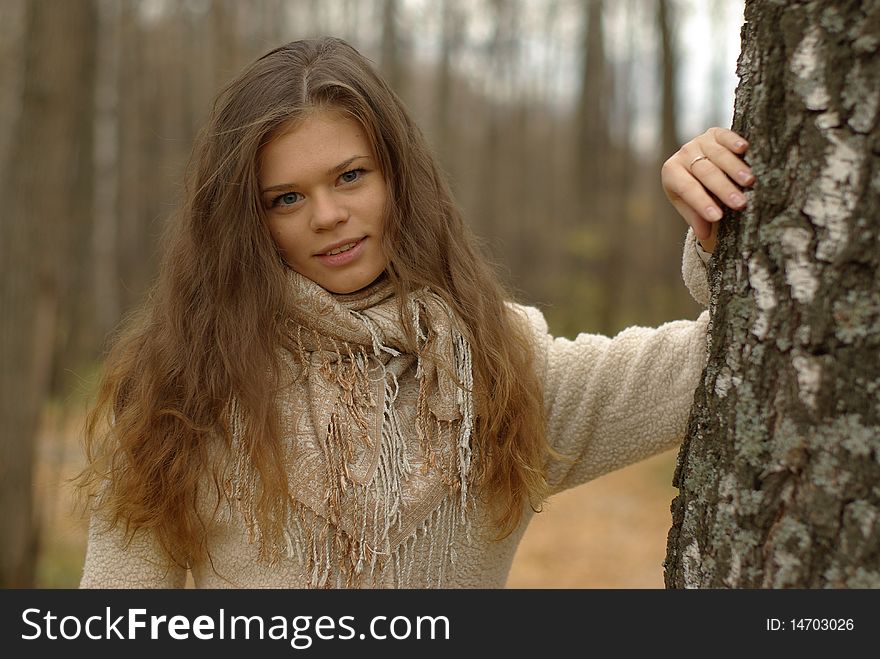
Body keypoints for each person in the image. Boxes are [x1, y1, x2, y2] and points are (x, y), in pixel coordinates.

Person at [78, 36, 754, 588]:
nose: (328, 215)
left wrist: (712, 219)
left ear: (398, 177)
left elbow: (729, 357)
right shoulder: (187, 389)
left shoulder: (501, 367)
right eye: (285, 198)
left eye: (350, 176)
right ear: (247, 222)